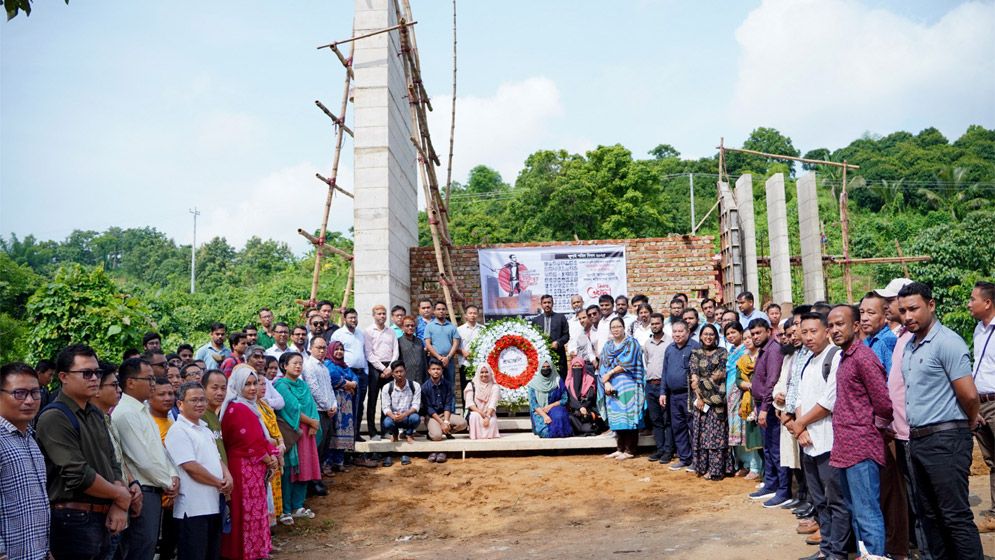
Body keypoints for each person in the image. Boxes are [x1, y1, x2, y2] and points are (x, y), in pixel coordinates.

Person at [897, 282, 983, 558]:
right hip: (918, 440)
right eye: (903, 311)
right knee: (929, 515)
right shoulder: (910, 346)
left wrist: (967, 423)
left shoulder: (948, 342)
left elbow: (969, 396)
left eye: (914, 309)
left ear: (931, 306)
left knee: (954, 515)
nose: (908, 316)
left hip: (946, 439)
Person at [37, 345, 131, 560]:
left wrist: (119, 502)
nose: (94, 378)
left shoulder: (95, 414)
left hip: (104, 515)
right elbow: (78, 474)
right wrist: (120, 495)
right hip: (73, 519)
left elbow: (112, 462)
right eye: (86, 373)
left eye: (97, 372)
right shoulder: (54, 416)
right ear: (63, 377)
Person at [826, 304, 893, 558]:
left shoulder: (863, 357)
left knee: (867, 512)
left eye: (840, 324)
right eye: (830, 325)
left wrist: (868, 428)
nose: (834, 330)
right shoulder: (845, 357)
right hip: (845, 447)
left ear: (855, 326)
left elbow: (884, 403)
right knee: (856, 511)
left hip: (862, 448)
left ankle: (876, 555)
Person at [787, 312, 849, 560]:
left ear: (826, 331)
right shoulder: (808, 362)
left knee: (837, 501)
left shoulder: (834, 358)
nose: (809, 337)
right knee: (819, 500)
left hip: (829, 442)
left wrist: (800, 423)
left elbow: (829, 401)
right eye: (805, 332)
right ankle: (826, 549)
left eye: (814, 331)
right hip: (808, 443)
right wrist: (800, 429)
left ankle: (838, 551)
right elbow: (800, 398)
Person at [112, 358, 180, 560]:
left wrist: (173, 474)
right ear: (131, 382)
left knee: (147, 546)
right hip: (143, 489)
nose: (153, 383)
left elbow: (159, 451)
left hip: (154, 488)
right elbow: (142, 459)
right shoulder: (124, 413)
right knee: (140, 548)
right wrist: (168, 481)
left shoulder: (141, 409)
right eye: (149, 379)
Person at [164, 382, 231, 560]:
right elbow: (190, 466)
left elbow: (216, 458)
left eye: (202, 399)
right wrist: (219, 482)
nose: (199, 404)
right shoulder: (178, 430)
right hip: (192, 508)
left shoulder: (205, 428)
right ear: (180, 404)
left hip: (212, 503)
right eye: (194, 400)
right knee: (194, 554)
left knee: (211, 554)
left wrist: (227, 476)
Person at [219, 365, 279, 560]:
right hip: (243, 467)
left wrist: (271, 453)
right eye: (247, 384)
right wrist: (268, 457)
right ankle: (244, 552)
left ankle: (257, 549)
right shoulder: (236, 408)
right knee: (245, 511)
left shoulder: (250, 407)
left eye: (254, 384)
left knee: (256, 509)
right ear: (237, 386)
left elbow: (261, 438)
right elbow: (246, 441)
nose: (252, 388)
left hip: (254, 466)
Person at [0, 362, 50, 560]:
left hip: (36, 552)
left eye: (35, 393)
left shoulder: (30, 438)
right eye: (19, 393)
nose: (29, 401)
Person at [272, 355, 321, 523]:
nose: (298, 366)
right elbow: (293, 408)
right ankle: (286, 508)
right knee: (291, 470)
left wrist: (315, 424)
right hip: (293, 432)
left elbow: (311, 406)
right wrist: (312, 422)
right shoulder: (280, 385)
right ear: (284, 366)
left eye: (301, 363)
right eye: (294, 363)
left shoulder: (303, 384)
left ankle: (298, 505)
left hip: (308, 432)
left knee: (306, 466)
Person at [749, 317, 791, 508]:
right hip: (761, 405)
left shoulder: (773, 350)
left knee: (775, 449)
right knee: (768, 448)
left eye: (759, 333)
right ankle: (771, 483)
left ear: (768, 331)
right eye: (752, 334)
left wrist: (765, 408)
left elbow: (772, 381)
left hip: (770, 407)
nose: (755, 337)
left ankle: (783, 489)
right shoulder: (764, 350)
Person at [689, 324, 732, 480]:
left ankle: (717, 470)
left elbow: (719, 375)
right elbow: (693, 376)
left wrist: (700, 382)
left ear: (716, 336)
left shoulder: (722, 352)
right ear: (700, 336)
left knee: (717, 437)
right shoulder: (695, 353)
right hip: (701, 403)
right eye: (705, 334)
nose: (708, 337)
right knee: (702, 436)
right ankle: (704, 467)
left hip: (717, 400)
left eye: (711, 334)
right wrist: (699, 397)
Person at [601, 317, 646, 460]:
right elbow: (603, 365)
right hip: (612, 386)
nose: (616, 329)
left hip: (629, 385)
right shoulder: (608, 346)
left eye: (618, 326)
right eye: (613, 327)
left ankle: (630, 450)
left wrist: (610, 373)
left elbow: (628, 362)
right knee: (616, 417)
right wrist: (606, 382)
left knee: (629, 417)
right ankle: (620, 448)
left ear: (623, 327)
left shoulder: (631, 343)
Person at [659, 320, 699, 470]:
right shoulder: (669, 349)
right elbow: (665, 372)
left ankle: (697, 459)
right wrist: (663, 392)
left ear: (687, 331)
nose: (677, 334)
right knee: (678, 427)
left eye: (680, 331)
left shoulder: (694, 347)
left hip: (690, 395)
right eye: (674, 331)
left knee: (693, 427)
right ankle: (684, 458)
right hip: (673, 396)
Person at [971, 281, 995, 533]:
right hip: (982, 402)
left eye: (972, 299)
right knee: (992, 461)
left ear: (987, 302)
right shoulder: (979, 329)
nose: (968, 304)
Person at [728, 323, 763, 480]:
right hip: (747, 401)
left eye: (750, 337)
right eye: (746, 338)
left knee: (760, 437)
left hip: (761, 400)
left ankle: (762, 469)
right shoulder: (742, 360)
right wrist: (747, 385)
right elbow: (737, 379)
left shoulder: (763, 356)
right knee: (749, 434)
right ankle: (752, 466)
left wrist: (755, 386)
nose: (748, 340)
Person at [331, 309, 368, 442]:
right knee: (347, 405)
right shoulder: (338, 334)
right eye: (351, 318)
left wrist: (366, 371)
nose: (353, 320)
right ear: (344, 319)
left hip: (361, 373)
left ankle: (356, 433)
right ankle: (346, 435)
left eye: (355, 318)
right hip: (346, 373)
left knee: (359, 404)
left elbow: (365, 352)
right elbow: (334, 352)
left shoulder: (360, 333)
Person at [365, 305, 399, 441]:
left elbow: (395, 351)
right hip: (375, 367)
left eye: (384, 314)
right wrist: (381, 368)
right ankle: (372, 431)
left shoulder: (391, 331)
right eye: (379, 314)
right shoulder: (368, 331)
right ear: (374, 315)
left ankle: (386, 430)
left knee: (387, 400)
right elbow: (368, 353)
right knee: (372, 400)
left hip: (389, 366)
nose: (382, 316)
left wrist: (390, 368)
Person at [643, 312, 674, 463]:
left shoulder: (669, 341)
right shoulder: (647, 343)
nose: (655, 326)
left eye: (657, 323)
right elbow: (647, 362)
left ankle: (668, 451)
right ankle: (660, 449)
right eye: (652, 324)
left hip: (664, 385)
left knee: (667, 419)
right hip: (650, 385)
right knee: (655, 420)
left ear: (662, 324)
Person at [324, 342, 360, 471]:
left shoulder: (345, 366)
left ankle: (339, 463)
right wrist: (348, 384)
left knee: (343, 432)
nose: (339, 352)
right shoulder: (328, 364)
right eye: (336, 349)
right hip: (334, 403)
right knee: (333, 432)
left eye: (341, 349)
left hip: (346, 406)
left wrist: (352, 384)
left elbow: (355, 377)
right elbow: (334, 378)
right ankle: (327, 464)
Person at [422, 360, 467, 460]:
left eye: (438, 369)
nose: (436, 371)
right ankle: (435, 434)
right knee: (437, 436)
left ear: (442, 370)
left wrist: (446, 421)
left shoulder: (447, 384)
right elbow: (428, 408)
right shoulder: (425, 387)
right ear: (429, 371)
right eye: (433, 369)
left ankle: (446, 431)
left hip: (445, 414)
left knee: (463, 423)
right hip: (432, 416)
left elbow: (448, 404)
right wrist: (441, 423)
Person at [379, 362, 420, 467]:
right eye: (396, 372)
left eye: (401, 371)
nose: (399, 374)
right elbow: (385, 407)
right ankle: (395, 433)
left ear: (405, 371)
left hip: (407, 417)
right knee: (387, 423)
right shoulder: (387, 387)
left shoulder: (414, 385)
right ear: (392, 374)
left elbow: (416, 405)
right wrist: (393, 416)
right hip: (394, 417)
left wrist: (405, 414)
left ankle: (408, 433)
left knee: (416, 418)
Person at [303, 336, 335, 464]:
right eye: (318, 348)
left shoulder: (324, 367)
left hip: (327, 411)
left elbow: (330, 389)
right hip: (317, 412)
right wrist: (328, 407)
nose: (322, 351)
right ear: (310, 349)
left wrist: (334, 405)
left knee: (325, 444)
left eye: (324, 348)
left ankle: (319, 476)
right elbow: (314, 390)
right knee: (317, 446)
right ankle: (314, 481)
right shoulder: (308, 366)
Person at [528, 360, 572, 439]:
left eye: (548, 367)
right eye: (543, 367)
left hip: (554, 408)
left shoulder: (557, 381)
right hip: (540, 412)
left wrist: (550, 406)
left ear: (552, 368)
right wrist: (544, 416)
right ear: (540, 368)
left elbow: (565, 399)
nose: (546, 369)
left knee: (559, 417)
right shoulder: (533, 384)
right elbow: (533, 403)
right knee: (546, 432)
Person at [530, 294, 570, 379]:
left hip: (558, 355)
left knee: (560, 379)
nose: (547, 305)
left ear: (553, 303)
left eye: (549, 302)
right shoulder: (536, 320)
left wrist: (558, 343)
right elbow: (532, 338)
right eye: (544, 303)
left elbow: (566, 335)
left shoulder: (560, 318)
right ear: (541, 304)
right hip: (541, 356)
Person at [425, 301, 462, 392]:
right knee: (434, 385)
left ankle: (450, 406)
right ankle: (435, 406)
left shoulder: (452, 326)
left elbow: (456, 343)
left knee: (450, 385)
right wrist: (439, 357)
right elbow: (428, 344)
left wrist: (448, 357)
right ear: (434, 311)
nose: (441, 311)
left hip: (449, 360)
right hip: (435, 359)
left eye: (443, 309)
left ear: (446, 311)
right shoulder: (429, 326)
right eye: (438, 309)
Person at [859, 292, 897, 372]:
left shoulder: (888, 341)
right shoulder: (866, 341)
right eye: (862, 312)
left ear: (886, 316)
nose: (864, 318)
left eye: (871, 313)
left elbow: (892, 378)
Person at [564, 357, 602, 436]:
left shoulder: (590, 380)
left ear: (583, 367)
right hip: (574, 411)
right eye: (575, 366)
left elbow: (590, 397)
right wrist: (580, 407)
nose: (577, 368)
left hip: (587, 410)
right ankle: (582, 429)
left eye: (579, 366)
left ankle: (582, 429)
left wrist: (584, 407)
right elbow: (570, 398)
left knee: (587, 424)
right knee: (569, 417)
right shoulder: (568, 381)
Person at [465, 364, 501, 440]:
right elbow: (470, 403)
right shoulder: (471, 385)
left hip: (489, 413)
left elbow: (492, 404)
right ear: (478, 373)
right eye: (482, 372)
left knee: (492, 421)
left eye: (486, 372)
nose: (484, 374)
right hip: (477, 412)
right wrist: (482, 414)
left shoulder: (495, 387)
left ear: (490, 373)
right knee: (474, 416)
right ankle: (475, 437)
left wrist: (487, 416)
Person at [458, 304, 485, 398]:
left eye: (475, 313)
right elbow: (454, 346)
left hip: (479, 364)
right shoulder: (459, 330)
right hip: (465, 364)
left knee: (480, 387)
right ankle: (467, 410)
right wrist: (462, 352)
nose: (472, 315)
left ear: (478, 315)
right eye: (470, 313)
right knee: (466, 388)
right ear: (465, 315)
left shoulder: (483, 329)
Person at [398, 315, 428, 384]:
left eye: (412, 325)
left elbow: (424, 360)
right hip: (405, 377)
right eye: (407, 326)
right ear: (402, 327)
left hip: (420, 377)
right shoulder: (398, 342)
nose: (410, 327)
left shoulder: (419, 341)